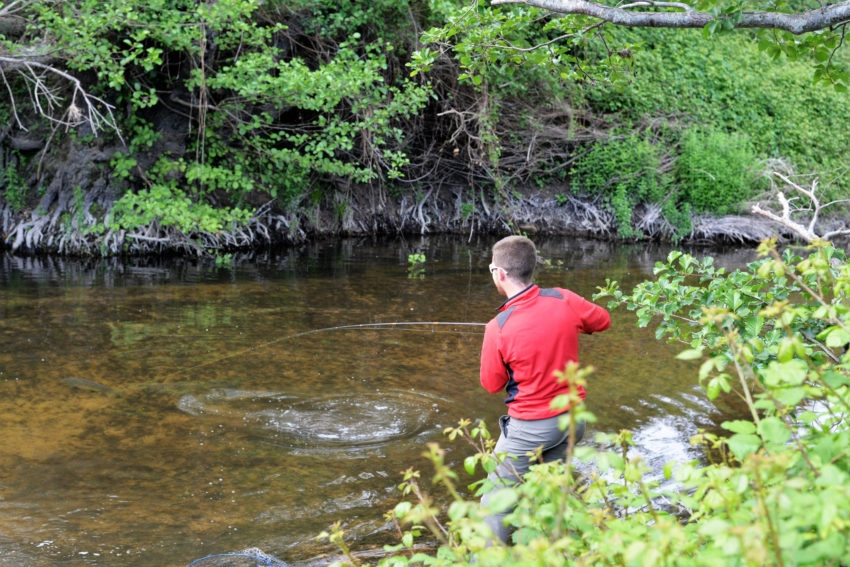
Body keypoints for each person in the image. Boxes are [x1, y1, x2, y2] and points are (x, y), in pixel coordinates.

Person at [479, 235, 611, 544]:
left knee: (494, 504)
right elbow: (602, 321)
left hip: (531, 427)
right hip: (572, 420)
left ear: (499, 273)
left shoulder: (497, 327)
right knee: (547, 495)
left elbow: (491, 384)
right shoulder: (564, 298)